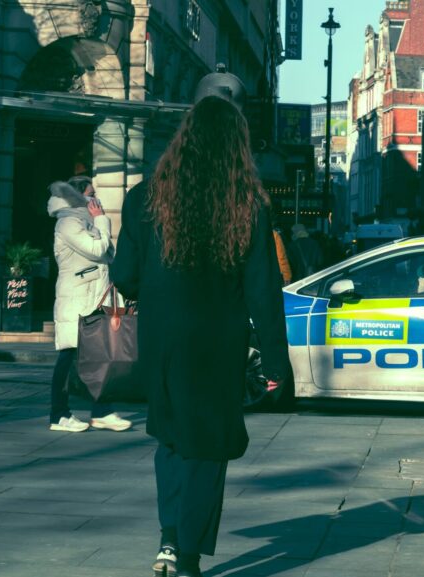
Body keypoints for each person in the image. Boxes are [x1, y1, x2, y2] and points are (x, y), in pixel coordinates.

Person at [111, 96, 291, 577]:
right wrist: (276, 363)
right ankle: (187, 556)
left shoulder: (145, 197)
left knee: (169, 437)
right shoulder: (247, 205)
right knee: (208, 446)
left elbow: (124, 274)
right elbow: (263, 291)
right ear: (236, 147)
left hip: (162, 340)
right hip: (217, 344)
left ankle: (169, 540)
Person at [47, 176, 132, 434]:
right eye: (91, 194)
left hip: (93, 299)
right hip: (77, 301)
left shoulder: (84, 222)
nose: (96, 200)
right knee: (69, 358)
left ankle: (101, 411)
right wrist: (102, 221)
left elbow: (108, 254)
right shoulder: (68, 223)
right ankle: (59, 414)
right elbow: (97, 250)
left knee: (99, 358)